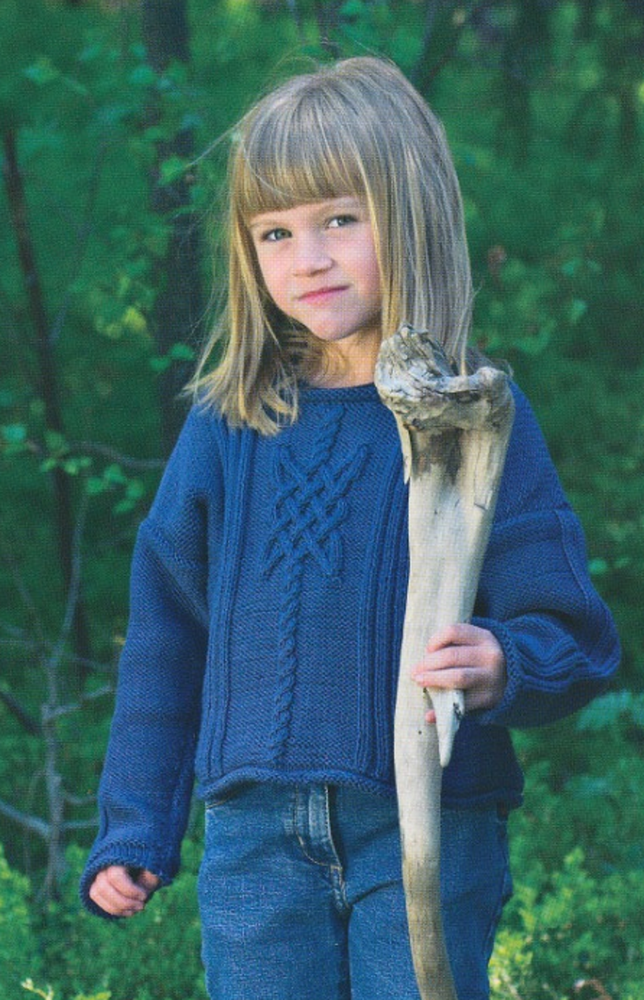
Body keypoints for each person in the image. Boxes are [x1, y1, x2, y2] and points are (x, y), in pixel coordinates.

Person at [80, 57, 620, 1000]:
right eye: (275, 232)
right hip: (252, 832)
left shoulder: (474, 415)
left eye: (340, 219)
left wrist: (503, 664)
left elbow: (575, 633)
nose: (308, 258)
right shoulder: (231, 424)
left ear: (407, 213)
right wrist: (135, 824)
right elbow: (168, 634)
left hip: (426, 825)